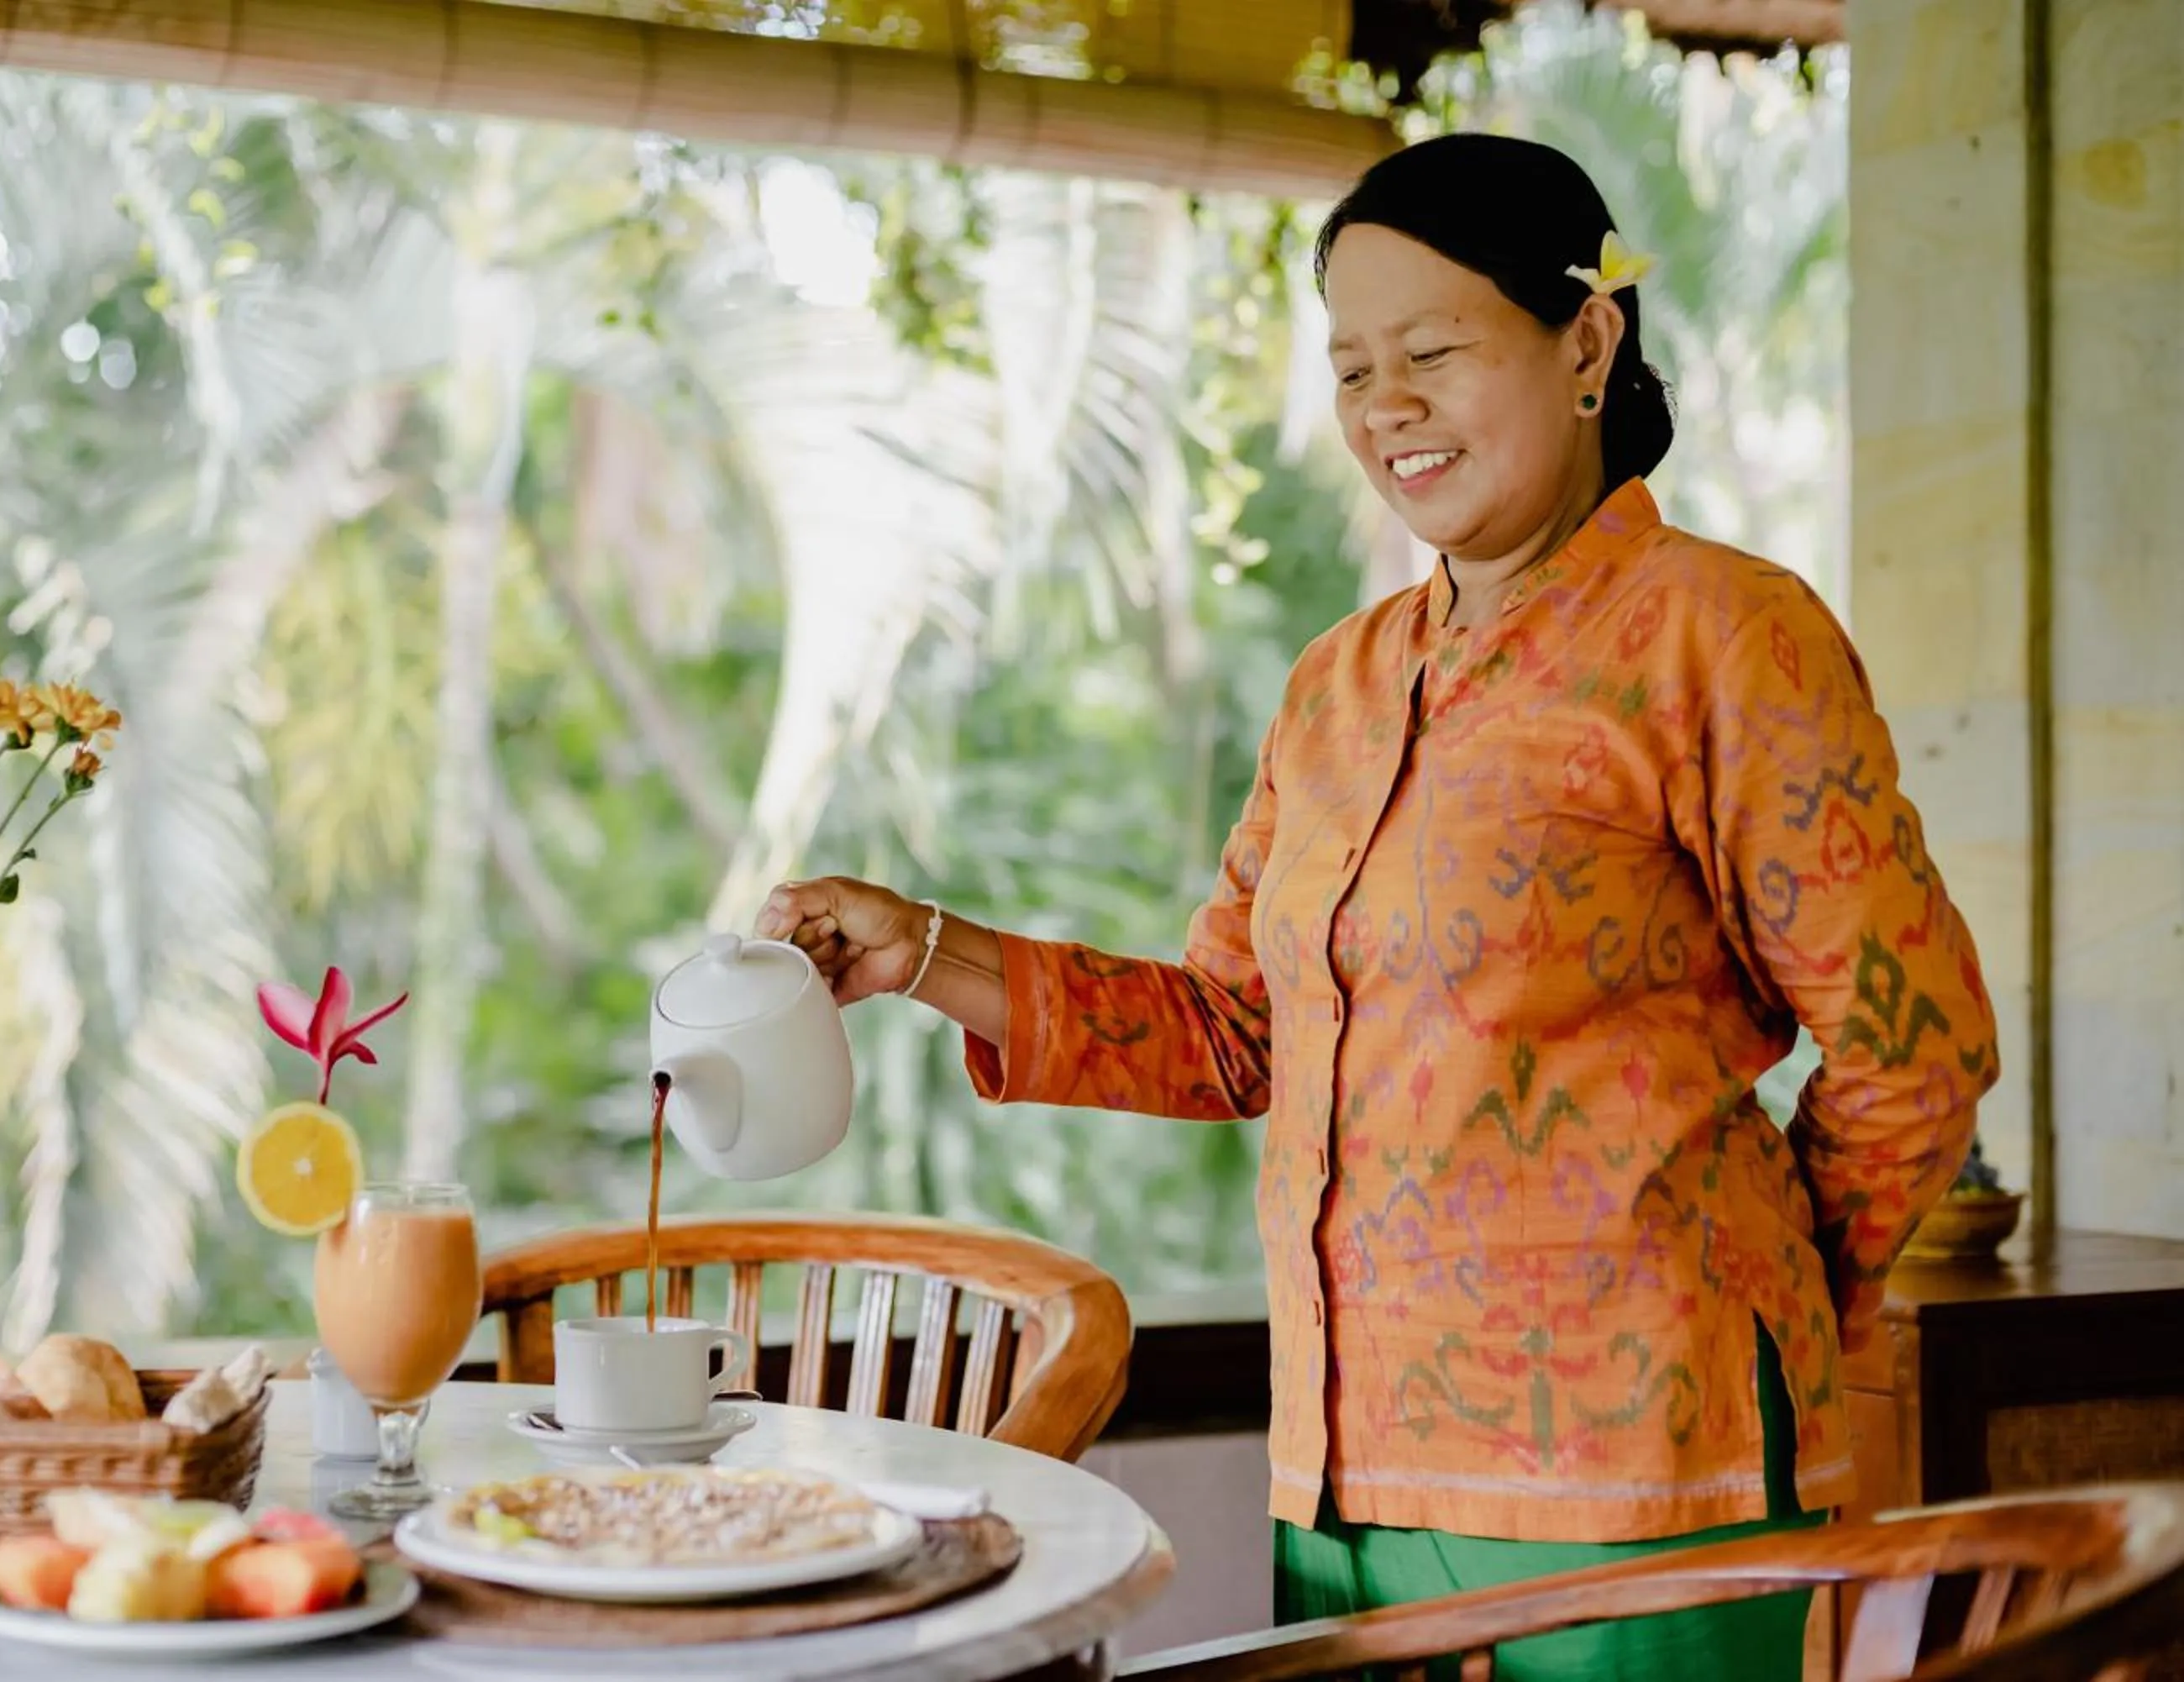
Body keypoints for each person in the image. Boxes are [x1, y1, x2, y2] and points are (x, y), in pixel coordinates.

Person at [754, 132, 1998, 1680]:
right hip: (1341, 1479)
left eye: (1432, 352)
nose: (1383, 406)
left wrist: (1764, 1288)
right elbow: (1230, 1037)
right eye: (1349, 368)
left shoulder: (1726, 637)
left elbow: (1917, 1041)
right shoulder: (1335, 687)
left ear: (1588, 341)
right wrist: (928, 952)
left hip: (1640, 1486)